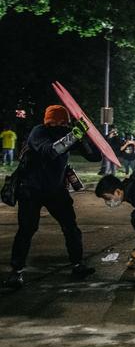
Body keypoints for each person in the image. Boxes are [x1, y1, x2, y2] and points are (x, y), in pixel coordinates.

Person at [3, 105, 100, 289]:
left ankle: (78, 264)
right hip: (31, 190)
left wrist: (85, 137)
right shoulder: (39, 132)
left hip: (55, 190)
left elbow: (95, 157)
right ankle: (16, 271)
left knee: (71, 227)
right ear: (49, 120)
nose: (61, 124)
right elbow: (50, 151)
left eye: (64, 122)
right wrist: (74, 136)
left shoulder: (69, 133)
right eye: (58, 121)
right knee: (27, 229)